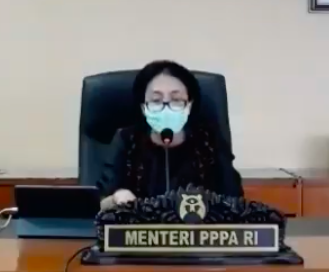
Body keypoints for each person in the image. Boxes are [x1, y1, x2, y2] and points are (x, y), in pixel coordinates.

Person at [97, 60, 244, 211]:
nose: (166, 108)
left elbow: (234, 200)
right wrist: (116, 197)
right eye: (156, 100)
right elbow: (100, 200)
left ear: (189, 105)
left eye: (176, 100)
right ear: (143, 107)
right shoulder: (127, 139)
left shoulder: (209, 139)